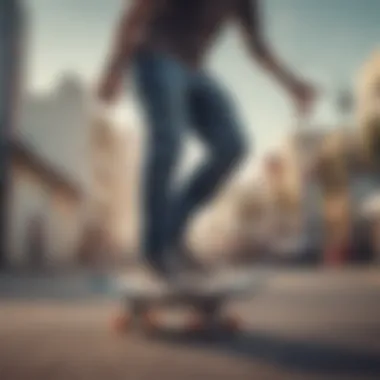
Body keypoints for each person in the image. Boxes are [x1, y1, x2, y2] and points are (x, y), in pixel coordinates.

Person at [98, 0, 316, 279]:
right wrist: (114, 68)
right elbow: (137, 11)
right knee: (168, 140)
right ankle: (155, 249)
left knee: (232, 145)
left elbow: (257, 47)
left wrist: (293, 84)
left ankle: (171, 237)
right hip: (154, 56)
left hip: (194, 71)